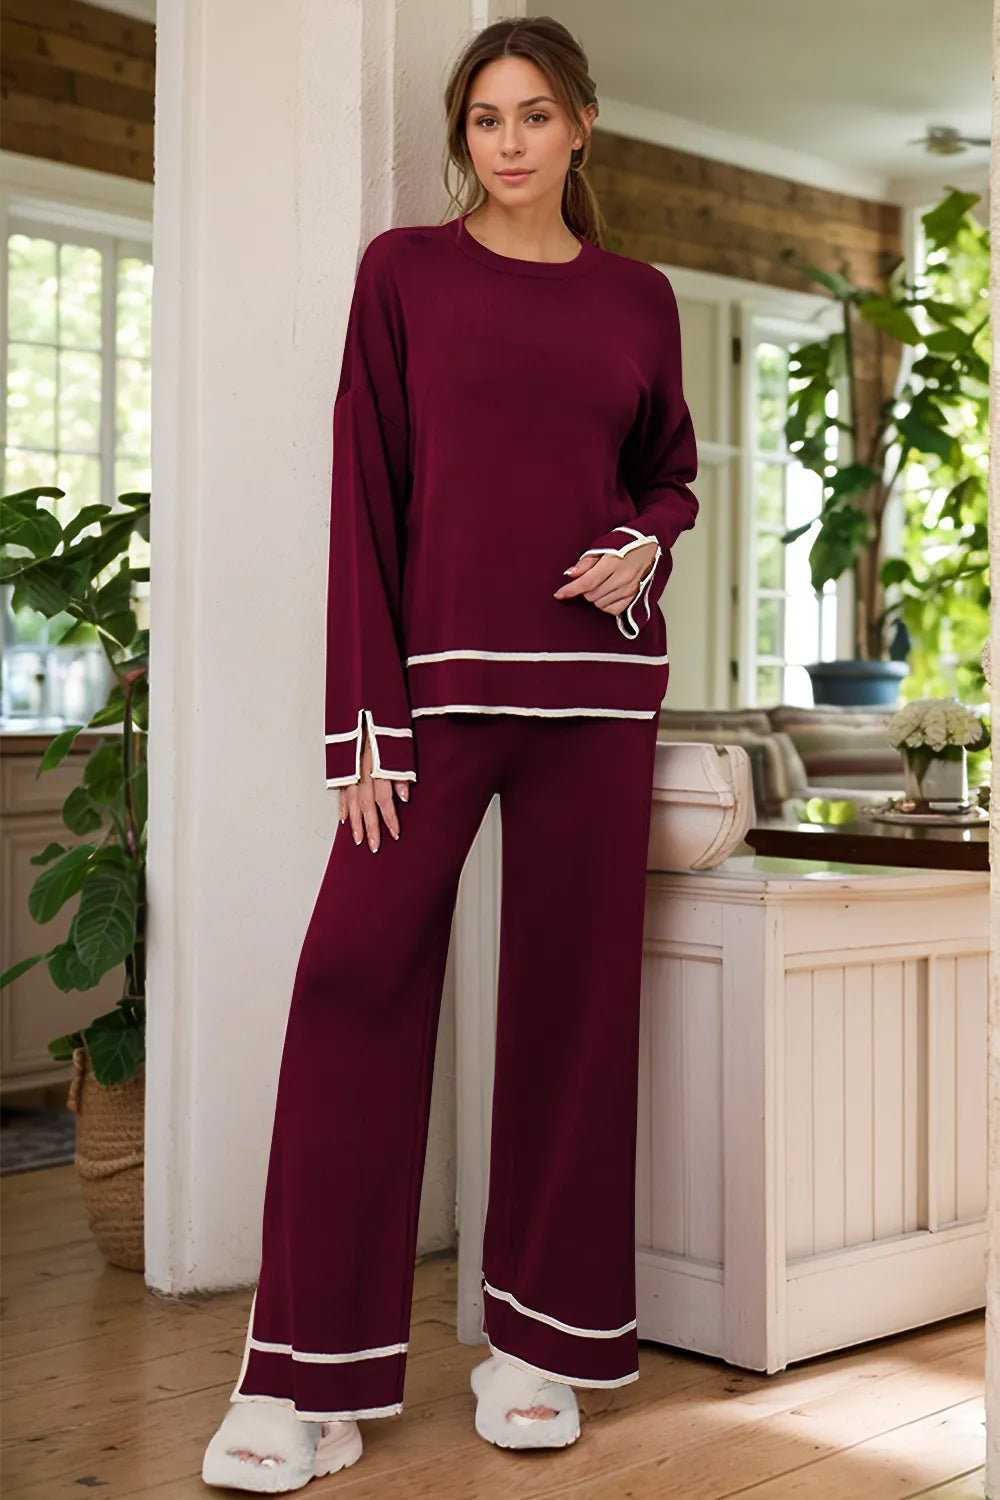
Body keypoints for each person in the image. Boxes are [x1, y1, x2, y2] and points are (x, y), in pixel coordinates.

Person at [202, 14, 698, 1492]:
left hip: (600, 702)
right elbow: (367, 488)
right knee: (352, 973)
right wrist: (366, 718)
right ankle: (307, 1377)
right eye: (486, 118)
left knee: (572, 1008)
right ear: (463, 136)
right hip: (437, 698)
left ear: (583, 126)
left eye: (536, 115)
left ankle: (538, 1347)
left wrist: (643, 543)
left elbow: (665, 473)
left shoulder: (640, 296)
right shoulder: (403, 275)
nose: (510, 141)